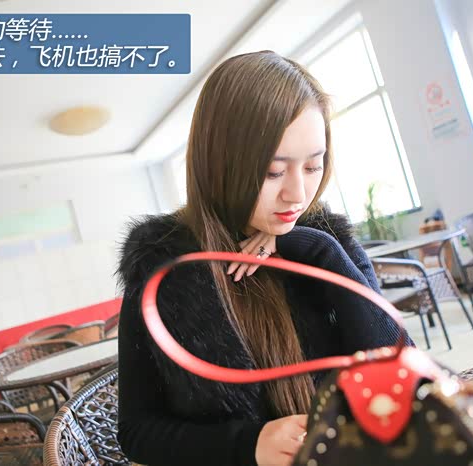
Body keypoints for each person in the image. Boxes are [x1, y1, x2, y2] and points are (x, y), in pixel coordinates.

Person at [116, 50, 410, 466]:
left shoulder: (326, 242)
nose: (297, 194)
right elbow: (137, 432)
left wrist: (319, 249)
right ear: (219, 164)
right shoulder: (163, 265)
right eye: (273, 172)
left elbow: (399, 367)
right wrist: (249, 444)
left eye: (313, 166)